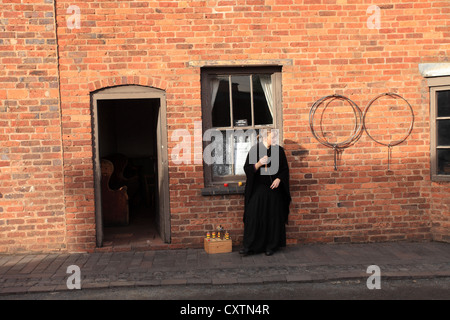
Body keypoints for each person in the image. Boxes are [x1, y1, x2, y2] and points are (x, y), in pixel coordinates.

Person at [240, 130, 291, 256]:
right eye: (272, 138)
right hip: (258, 188)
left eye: (275, 138)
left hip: (274, 189)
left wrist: (279, 179)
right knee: (253, 215)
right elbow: (247, 169)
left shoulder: (279, 151)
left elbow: (285, 170)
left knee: (273, 217)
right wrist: (258, 164)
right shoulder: (255, 150)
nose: (274, 140)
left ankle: (271, 246)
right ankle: (250, 246)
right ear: (264, 137)